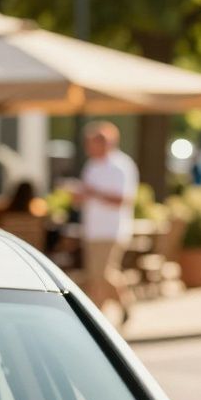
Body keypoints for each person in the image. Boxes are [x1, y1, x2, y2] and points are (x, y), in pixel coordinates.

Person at [74, 121, 138, 324]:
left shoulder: (121, 165)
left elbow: (123, 199)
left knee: (102, 274)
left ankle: (117, 306)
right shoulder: (91, 165)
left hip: (112, 230)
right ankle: (102, 317)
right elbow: (87, 195)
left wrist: (93, 193)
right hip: (92, 229)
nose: (88, 147)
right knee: (95, 277)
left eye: (92, 143)